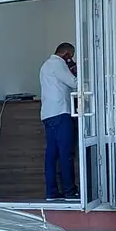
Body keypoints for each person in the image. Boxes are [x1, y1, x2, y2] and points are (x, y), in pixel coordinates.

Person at [39, 42, 78, 200]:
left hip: (48, 114)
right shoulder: (58, 64)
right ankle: (69, 191)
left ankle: (52, 192)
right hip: (61, 113)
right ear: (67, 54)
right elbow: (75, 84)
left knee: (51, 155)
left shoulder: (45, 66)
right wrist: (75, 71)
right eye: (71, 56)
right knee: (65, 153)